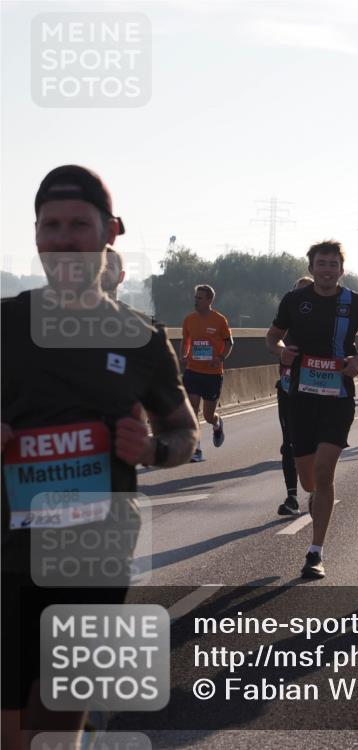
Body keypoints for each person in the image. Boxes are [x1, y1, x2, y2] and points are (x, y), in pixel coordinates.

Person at [2, 165, 198, 750]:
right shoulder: (4, 323)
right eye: (50, 226)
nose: (63, 240)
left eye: (78, 225)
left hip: (95, 557)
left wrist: (155, 449)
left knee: (50, 730)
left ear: (110, 230)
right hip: (8, 557)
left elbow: (184, 432)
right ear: (36, 234)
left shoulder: (141, 339)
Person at [266, 241, 358, 579]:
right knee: (309, 478)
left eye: (333, 264)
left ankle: (315, 552)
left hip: (338, 398)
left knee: (326, 470)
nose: (327, 269)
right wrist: (280, 351)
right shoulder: (294, 300)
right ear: (311, 267)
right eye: (321, 264)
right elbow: (273, 337)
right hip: (300, 398)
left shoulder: (355, 303)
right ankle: (315, 497)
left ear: (342, 269)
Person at [181, 285, 233, 461]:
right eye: (195, 297)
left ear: (210, 300)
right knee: (192, 408)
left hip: (212, 374)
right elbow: (185, 340)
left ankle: (217, 424)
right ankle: (196, 449)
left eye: (200, 298)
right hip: (193, 371)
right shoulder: (189, 319)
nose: (196, 300)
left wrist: (221, 357)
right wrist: (184, 354)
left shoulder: (220, 320)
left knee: (208, 414)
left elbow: (229, 343)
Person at [276, 275, 313, 515]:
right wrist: (281, 350)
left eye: (307, 292)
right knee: (288, 444)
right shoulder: (286, 320)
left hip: (318, 392)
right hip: (288, 389)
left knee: (315, 445)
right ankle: (291, 497)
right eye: (298, 293)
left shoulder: (324, 323)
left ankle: (317, 490)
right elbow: (272, 339)